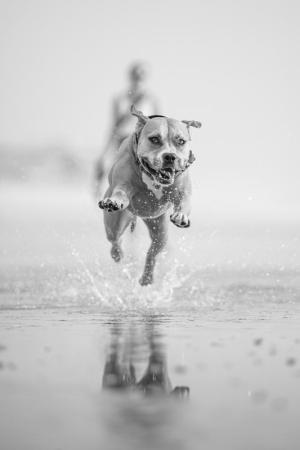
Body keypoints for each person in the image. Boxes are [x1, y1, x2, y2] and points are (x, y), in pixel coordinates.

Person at [95, 61, 160, 196]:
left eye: (142, 74)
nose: (139, 77)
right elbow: (114, 125)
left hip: (143, 143)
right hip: (122, 142)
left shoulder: (151, 99)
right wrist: (105, 152)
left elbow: (159, 125)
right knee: (115, 176)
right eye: (136, 74)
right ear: (130, 75)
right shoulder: (119, 98)